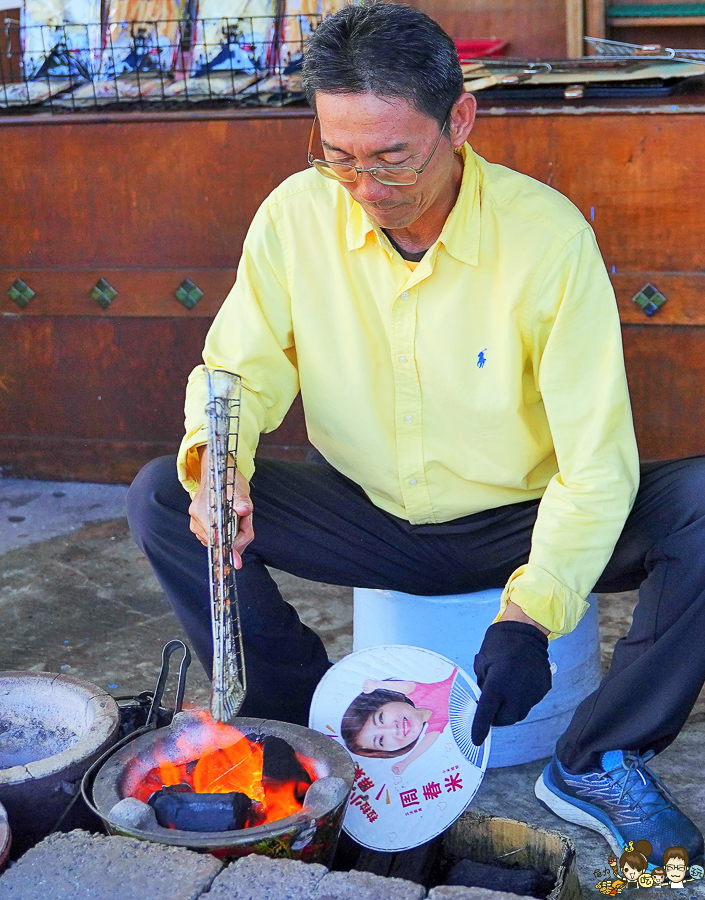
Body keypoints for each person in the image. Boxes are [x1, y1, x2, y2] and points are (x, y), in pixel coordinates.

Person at [126, 0, 705, 868]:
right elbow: (236, 372)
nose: (364, 185)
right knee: (168, 494)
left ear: (459, 120)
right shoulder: (295, 217)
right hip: (372, 516)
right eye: (339, 157)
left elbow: (594, 459)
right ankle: (291, 727)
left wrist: (531, 613)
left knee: (699, 504)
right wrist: (223, 464)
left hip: (518, 514)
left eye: (392, 155)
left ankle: (598, 758)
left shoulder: (545, 237)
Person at [340, 672, 456, 774]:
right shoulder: (437, 723)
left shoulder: (420, 694)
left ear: (386, 701)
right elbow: (426, 743)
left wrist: (377, 685)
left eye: (381, 719)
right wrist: (405, 763)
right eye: (381, 741)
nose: (393, 729)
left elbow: (407, 687)